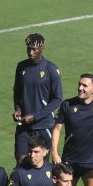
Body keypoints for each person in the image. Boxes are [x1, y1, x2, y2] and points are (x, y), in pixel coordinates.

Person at [11, 33, 64, 162]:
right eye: (28, 48)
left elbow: (58, 98)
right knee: (21, 162)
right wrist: (18, 109)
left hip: (43, 126)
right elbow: (17, 92)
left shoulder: (51, 69)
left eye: (34, 49)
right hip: (23, 125)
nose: (30, 52)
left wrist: (36, 116)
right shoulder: (21, 66)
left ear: (42, 48)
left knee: (41, 165)